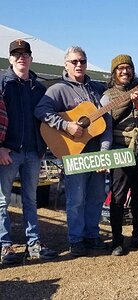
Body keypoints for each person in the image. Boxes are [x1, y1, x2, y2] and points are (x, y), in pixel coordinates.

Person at [35, 46, 112, 257]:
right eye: (75, 61)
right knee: (76, 198)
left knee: (97, 197)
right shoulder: (58, 89)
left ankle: (92, 235)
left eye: (83, 61)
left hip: (96, 153)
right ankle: (76, 239)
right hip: (72, 153)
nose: (79, 65)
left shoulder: (97, 89)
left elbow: (106, 123)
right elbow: (41, 110)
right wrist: (66, 126)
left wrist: (105, 151)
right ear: (66, 65)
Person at [0, 39, 57, 265]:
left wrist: (42, 147)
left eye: (25, 53)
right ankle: (5, 246)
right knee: (3, 201)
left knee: (31, 200)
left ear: (31, 58)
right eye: (16, 54)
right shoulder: (2, 83)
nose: (21, 57)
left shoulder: (39, 88)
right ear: (10, 58)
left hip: (33, 152)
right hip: (8, 151)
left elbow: (43, 121)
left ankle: (33, 244)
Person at [100, 54, 138, 256]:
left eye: (128, 68)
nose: (125, 71)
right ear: (114, 72)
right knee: (117, 197)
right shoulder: (107, 96)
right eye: (120, 68)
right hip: (120, 150)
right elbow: (106, 128)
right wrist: (104, 154)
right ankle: (117, 240)